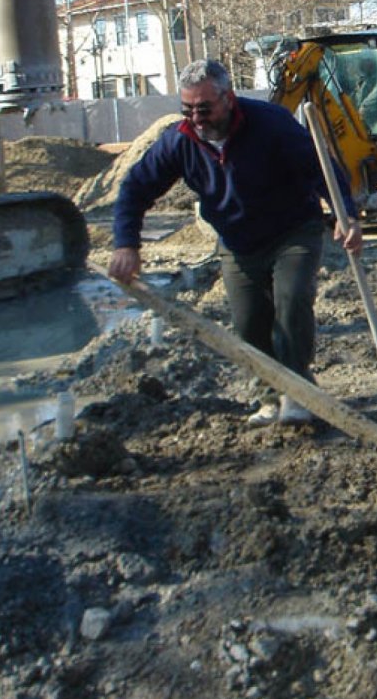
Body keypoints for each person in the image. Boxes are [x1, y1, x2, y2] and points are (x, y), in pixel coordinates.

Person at [109, 58, 362, 426]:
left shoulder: (271, 124)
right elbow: (134, 188)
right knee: (248, 323)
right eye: (188, 109)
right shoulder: (180, 140)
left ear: (228, 98)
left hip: (293, 230)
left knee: (291, 302)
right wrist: (126, 244)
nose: (196, 118)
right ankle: (268, 396)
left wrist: (347, 215)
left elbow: (321, 169)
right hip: (238, 242)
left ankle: (298, 392)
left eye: (204, 108)